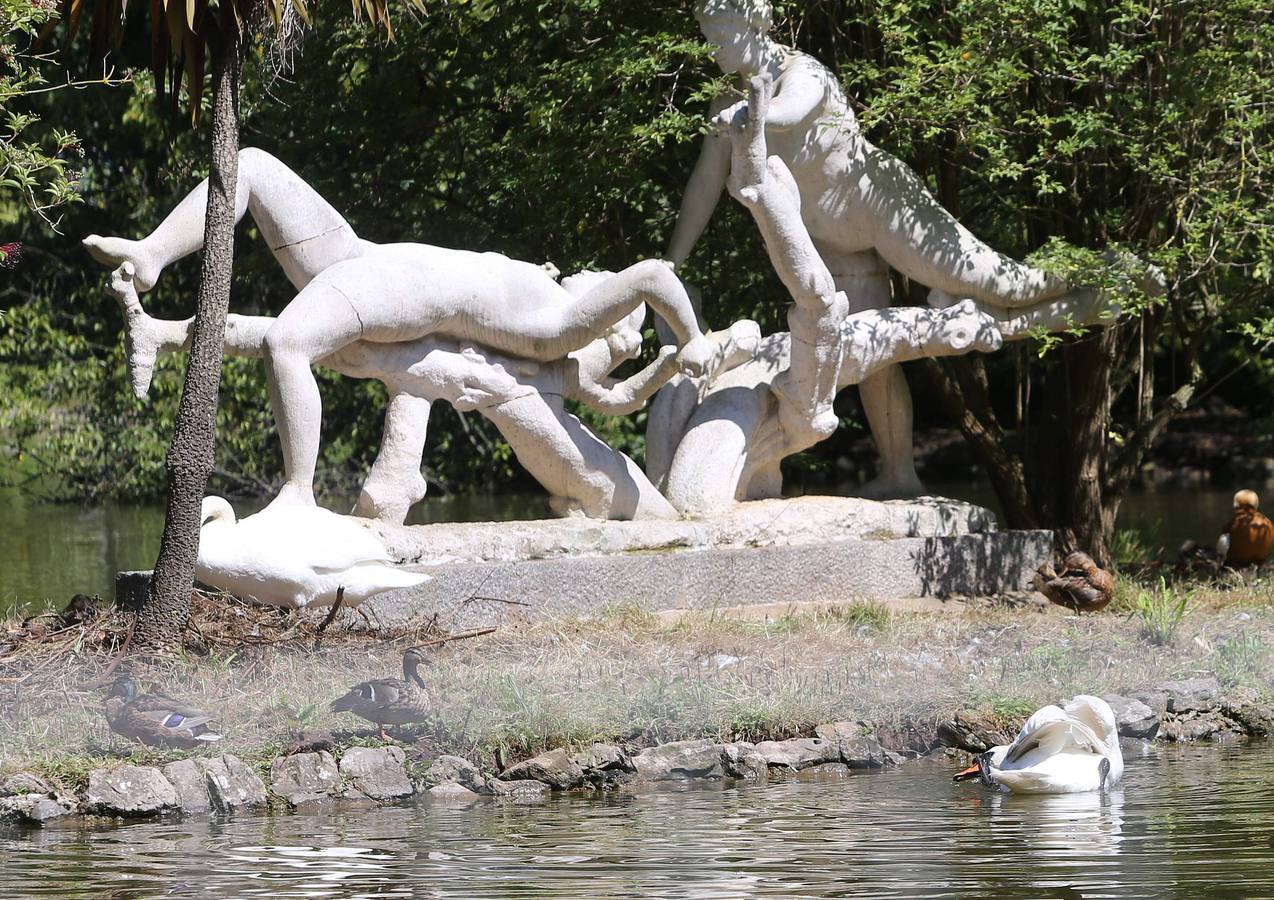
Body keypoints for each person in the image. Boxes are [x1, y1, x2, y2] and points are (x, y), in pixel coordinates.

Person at [86, 148, 713, 509]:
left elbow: (656, 275)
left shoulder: (563, 326)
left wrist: (694, 342)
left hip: (401, 291)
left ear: (605, 317)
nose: (596, 274)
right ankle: (151, 255)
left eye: (604, 285)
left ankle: (298, 496)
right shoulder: (548, 308)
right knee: (250, 164)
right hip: (369, 257)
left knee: (287, 342)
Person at [667, 0, 1082, 498]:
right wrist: (673, 263)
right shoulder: (726, 103)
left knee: (1009, 284)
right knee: (867, 355)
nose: (712, 47)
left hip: (881, 205)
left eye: (719, 33)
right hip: (830, 240)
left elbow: (788, 110)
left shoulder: (803, 72)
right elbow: (704, 185)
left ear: (752, 26)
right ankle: (899, 473)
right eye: (707, 35)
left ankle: (1100, 278)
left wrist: (751, 113)